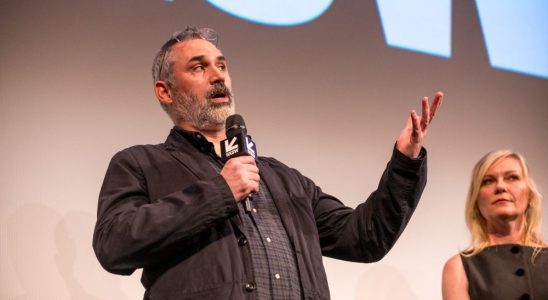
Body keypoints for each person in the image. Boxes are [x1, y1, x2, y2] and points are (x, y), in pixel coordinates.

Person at [93, 26, 443, 300]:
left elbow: (365, 238)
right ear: (165, 91)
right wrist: (218, 193)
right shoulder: (140, 164)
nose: (218, 76)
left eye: (222, 66)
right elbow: (113, 246)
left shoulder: (283, 178)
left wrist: (405, 161)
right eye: (199, 67)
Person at [442, 150, 547, 300]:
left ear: (529, 194)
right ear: (476, 200)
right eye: (488, 181)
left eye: (512, 177)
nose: (501, 187)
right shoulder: (459, 268)